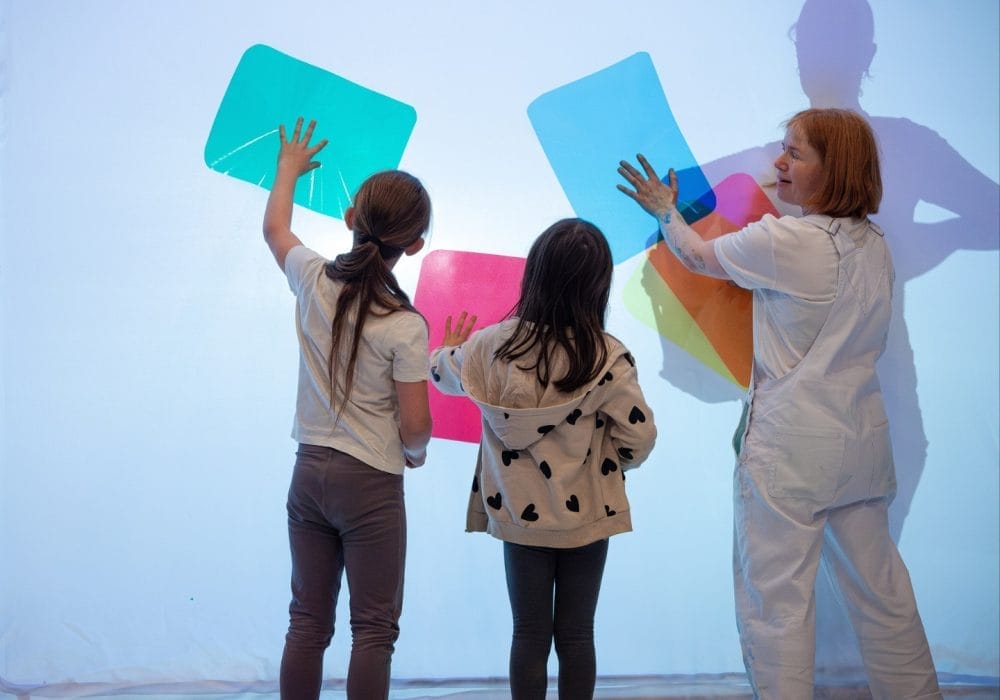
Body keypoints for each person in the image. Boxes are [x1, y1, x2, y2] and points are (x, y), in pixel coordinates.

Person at [618, 108, 941, 699]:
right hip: (861, 449)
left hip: (791, 459)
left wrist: (665, 210)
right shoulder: (876, 247)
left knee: (777, 608)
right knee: (884, 599)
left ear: (835, 169)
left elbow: (696, 256)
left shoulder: (788, 241)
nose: (778, 163)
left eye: (796, 154)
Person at [431, 218, 657, 700]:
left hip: (520, 515)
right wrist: (614, 460)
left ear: (533, 275)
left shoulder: (491, 346)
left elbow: (441, 374)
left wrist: (448, 348)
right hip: (587, 519)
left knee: (528, 634)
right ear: (598, 287)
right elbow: (640, 435)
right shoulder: (609, 357)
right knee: (577, 635)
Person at [262, 117, 433, 700]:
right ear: (414, 245)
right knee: (373, 631)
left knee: (307, 622)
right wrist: (415, 456)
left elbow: (275, 228)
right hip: (371, 485)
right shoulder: (407, 325)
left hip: (307, 474)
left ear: (350, 219)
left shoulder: (312, 278)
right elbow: (416, 425)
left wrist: (287, 170)